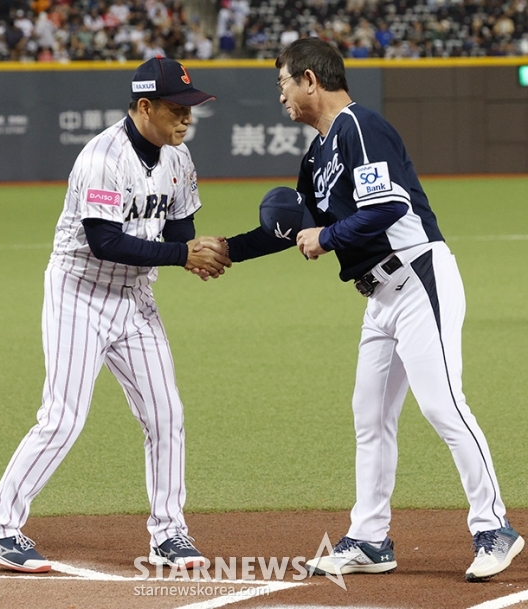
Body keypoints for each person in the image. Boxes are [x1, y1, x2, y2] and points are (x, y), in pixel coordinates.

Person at [212, 37, 525, 582]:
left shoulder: (360, 127)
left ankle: (495, 527)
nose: (280, 95)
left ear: (311, 79)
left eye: (283, 82)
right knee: (370, 417)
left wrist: (327, 236)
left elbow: (390, 206)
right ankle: (371, 539)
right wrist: (226, 251)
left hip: (416, 273)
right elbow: (294, 230)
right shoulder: (316, 156)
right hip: (378, 296)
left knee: (442, 405)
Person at [0, 57, 231, 574]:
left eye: (190, 108)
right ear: (143, 107)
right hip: (79, 294)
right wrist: (183, 256)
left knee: (166, 415)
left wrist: (197, 256)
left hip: (135, 299)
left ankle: (169, 534)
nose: (186, 118)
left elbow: (180, 230)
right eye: (177, 109)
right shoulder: (102, 158)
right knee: (63, 417)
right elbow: (105, 242)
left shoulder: (178, 159)